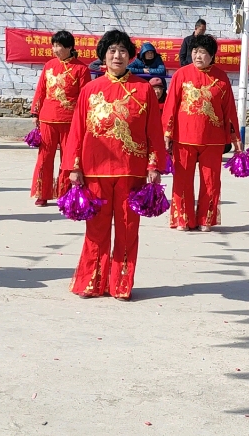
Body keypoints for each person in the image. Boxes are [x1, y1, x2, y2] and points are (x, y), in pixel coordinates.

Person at [63, 29, 165, 300]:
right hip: (95, 169)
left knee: (127, 228)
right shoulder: (90, 90)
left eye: (122, 51)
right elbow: (77, 130)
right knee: (95, 230)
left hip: (132, 171)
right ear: (103, 57)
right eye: (112, 51)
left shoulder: (143, 91)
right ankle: (90, 283)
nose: (117, 56)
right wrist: (74, 167)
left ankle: (121, 285)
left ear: (130, 56)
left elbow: (154, 132)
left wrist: (154, 165)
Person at [163, 33, 241, 232]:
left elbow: (229, 110)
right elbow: (170, 105)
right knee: (182, 180)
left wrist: (235, 139)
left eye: (203, 52)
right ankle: (183, 219)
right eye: (195, 51)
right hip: (184, 136)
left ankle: (206, 219)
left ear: (212, 55)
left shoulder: (221, 77)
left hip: (212, 139)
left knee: (211, 181)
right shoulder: (181, 74)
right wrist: (167, 134)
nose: (198, 56)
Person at [28, 30, 90, 207]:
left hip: (70, 121)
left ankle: (65, 194)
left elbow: (84, 97)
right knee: (44, 158)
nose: (55, 49)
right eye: (53, 45)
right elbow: (41, 89)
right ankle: (42, 193)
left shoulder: (81, 69)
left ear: (70, 47)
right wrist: (35, 112)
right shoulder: (49, 66)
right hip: (47, 118)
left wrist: (83, 120)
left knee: (68, 159)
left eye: (59, 46)